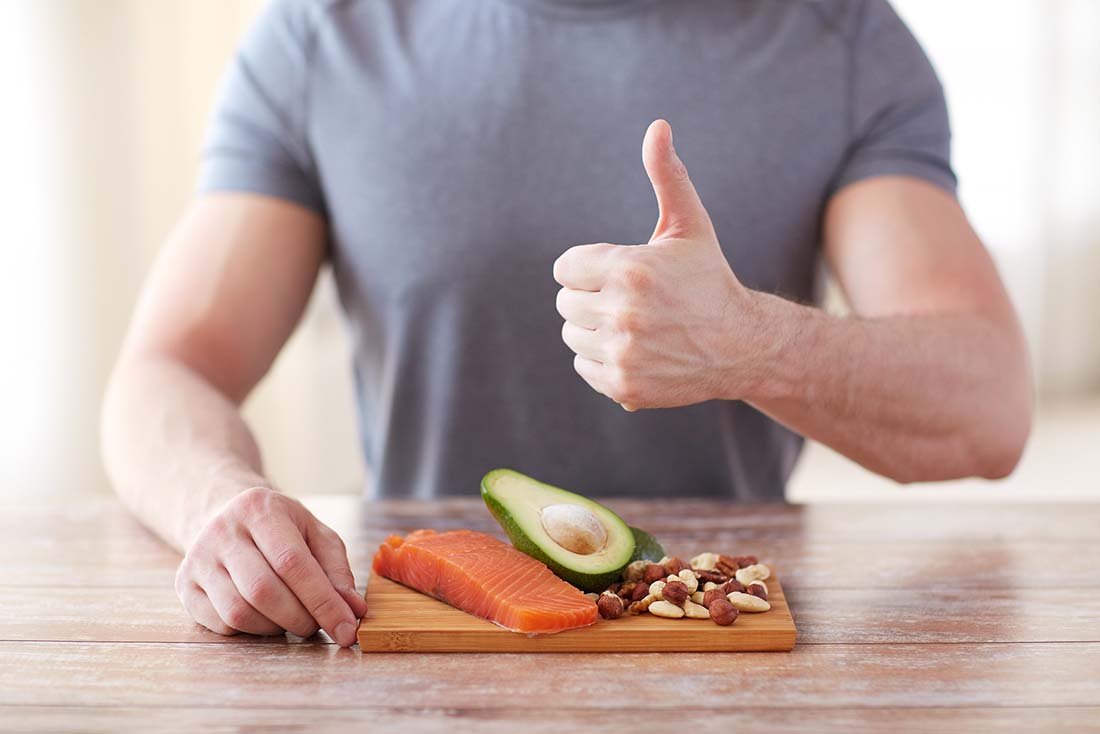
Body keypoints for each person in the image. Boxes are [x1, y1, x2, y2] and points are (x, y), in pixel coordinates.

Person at [101, 0, 1032, 647]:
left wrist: (751, 342)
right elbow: (171, 369)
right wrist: (216, 505)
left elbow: (988, 407)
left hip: (714, 643)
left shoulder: (844, 40)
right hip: (420, 638)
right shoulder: (322, 36)